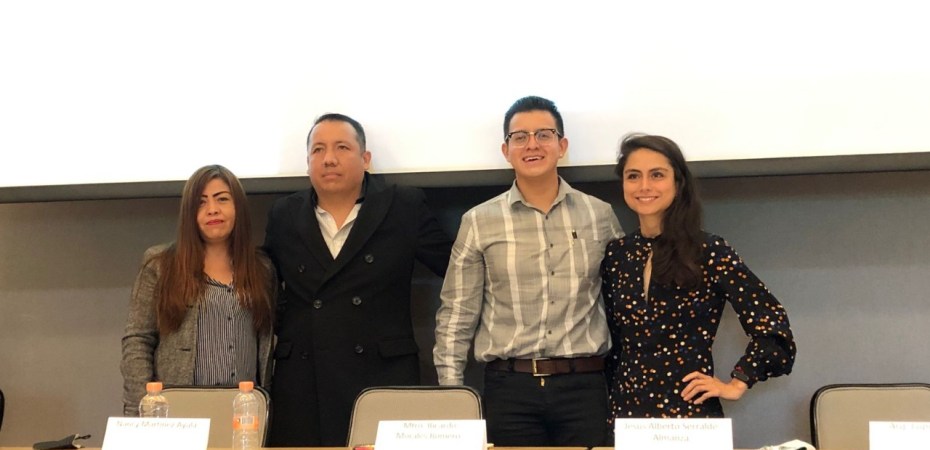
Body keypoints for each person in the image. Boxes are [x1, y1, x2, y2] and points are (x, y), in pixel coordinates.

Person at [434, 96, 622, 447]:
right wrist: (451, 393)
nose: (532, 144)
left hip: (584, 388)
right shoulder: (478, 221)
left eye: (544, 135)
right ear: (506, 150)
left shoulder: (599, 215)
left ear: (562, 146)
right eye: (520, 137)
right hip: (509, 390)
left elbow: (622, 305)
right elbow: (457, 314)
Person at [264, 113, 453, 447]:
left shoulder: (403, 206)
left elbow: (455, 271)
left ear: (365, 159)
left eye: (342, 147)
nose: (329, 158)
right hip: (305, 382)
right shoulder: (284, 214)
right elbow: (266, 288)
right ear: (307, 162)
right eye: (318, 150)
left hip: (381, 375)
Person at [602, 134, 796, 423]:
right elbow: (614, 343)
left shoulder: (709, 251)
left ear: (678, 183)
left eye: (657, 175)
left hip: (690, 411)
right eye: (633, 176)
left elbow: (772, 324)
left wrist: (738, 382)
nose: (644, 186)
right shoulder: (617, 254)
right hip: (626, 413)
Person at [121, 164, 275, 416]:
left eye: (222, 199)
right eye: (201, 202)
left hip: (243, 412)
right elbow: (138, 340)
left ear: (238, 206)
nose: (212, 209)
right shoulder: (160, 264)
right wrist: (142, 411)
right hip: (179, 412)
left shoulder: (262, 268)